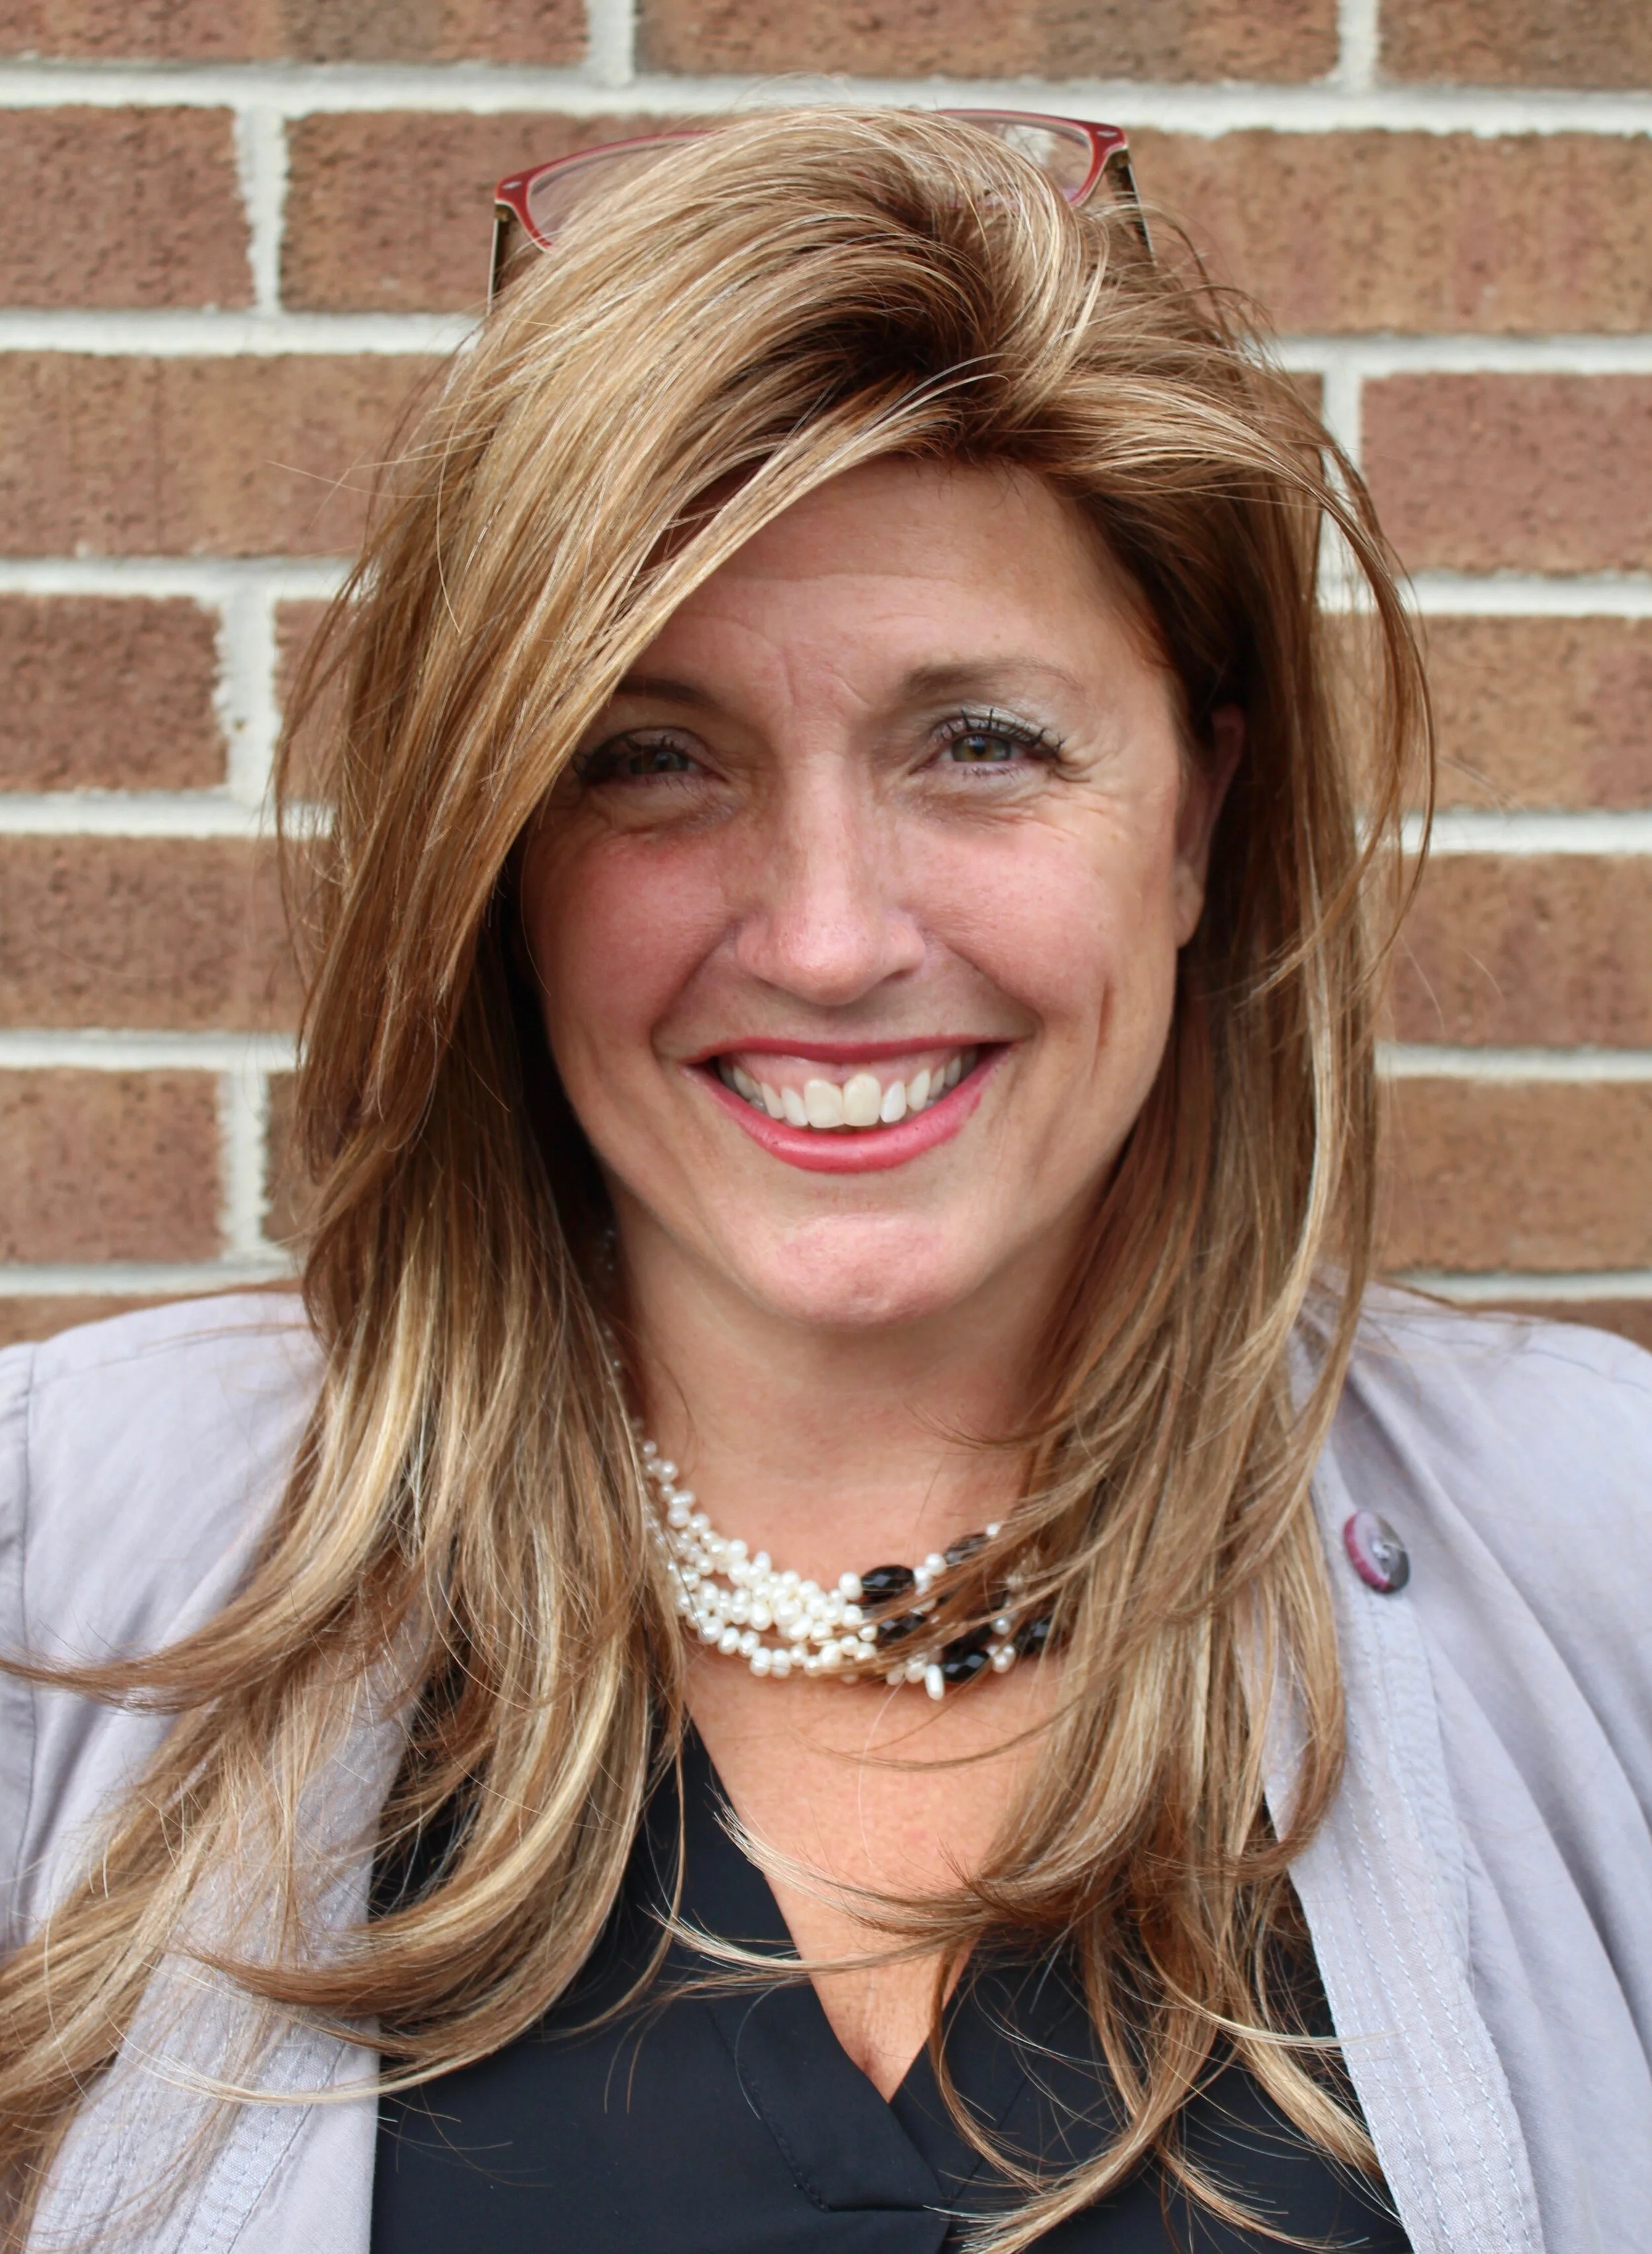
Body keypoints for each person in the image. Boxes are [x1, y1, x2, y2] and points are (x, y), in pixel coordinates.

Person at [1, 108, 1647, 2254]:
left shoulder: (1604, 1548)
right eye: (649, 754)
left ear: (1191, 818)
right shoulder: (59, 1568)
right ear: (498, 850)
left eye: (980, 743)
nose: (828, 936)